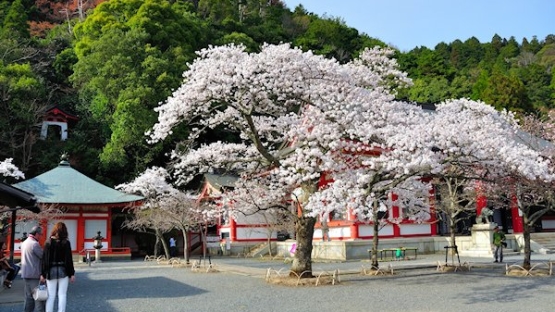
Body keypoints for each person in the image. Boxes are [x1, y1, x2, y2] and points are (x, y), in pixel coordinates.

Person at [41, 222, 75, 312]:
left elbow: (44, 259)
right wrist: (71, 273)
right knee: (62, 294)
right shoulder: (66, 243)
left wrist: (43, 274)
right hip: (63, 270)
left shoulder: (48, 242)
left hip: (50, 270)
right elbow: (69, 259)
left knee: (51, 295)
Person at [21, 225, 45, 312]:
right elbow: (43, 256)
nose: (41, 236)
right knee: (39, 299)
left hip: (25, 273)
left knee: (28, 298)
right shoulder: (34, 244)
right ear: (37, 234)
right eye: (41, 234)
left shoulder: (24, 243)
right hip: (34, 274)